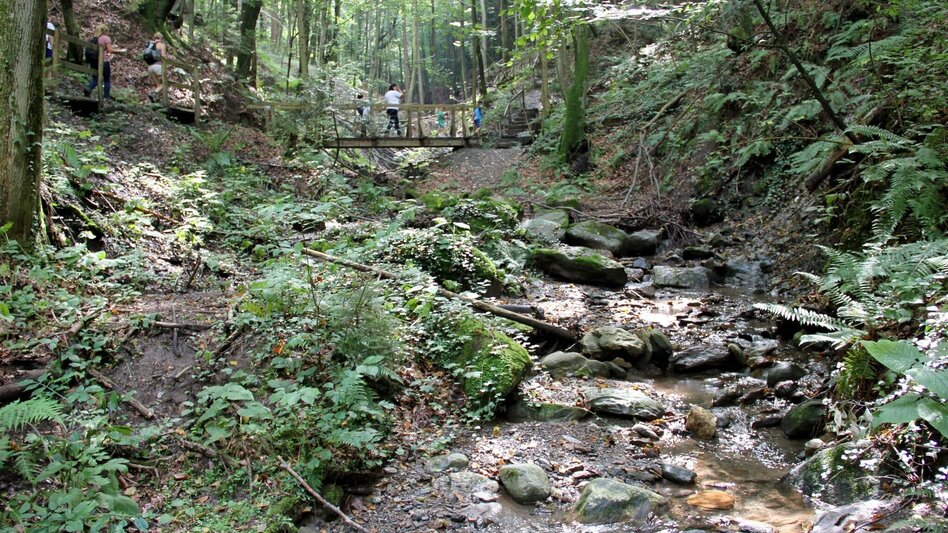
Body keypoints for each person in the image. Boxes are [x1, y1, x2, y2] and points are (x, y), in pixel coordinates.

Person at [83, 24, 124, 100]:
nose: (108, 32)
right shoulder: (105, 38)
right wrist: (121, 51)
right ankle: (106, 97)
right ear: (105, 31)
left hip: (95, 61)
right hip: (104, 61)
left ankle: (88, 88)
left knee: (95, 78)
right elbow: (110, 50)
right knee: (107, 80)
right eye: (108, 30)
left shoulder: (95, 39)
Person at [145, 33, 169, 102]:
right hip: (158, 67)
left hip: (150, 67)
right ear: (161, 38)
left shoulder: (150, 45)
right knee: (164, 83)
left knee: (158, 85)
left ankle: (156, 99)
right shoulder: (161, 45)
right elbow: (163, 58)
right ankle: (153, 94)